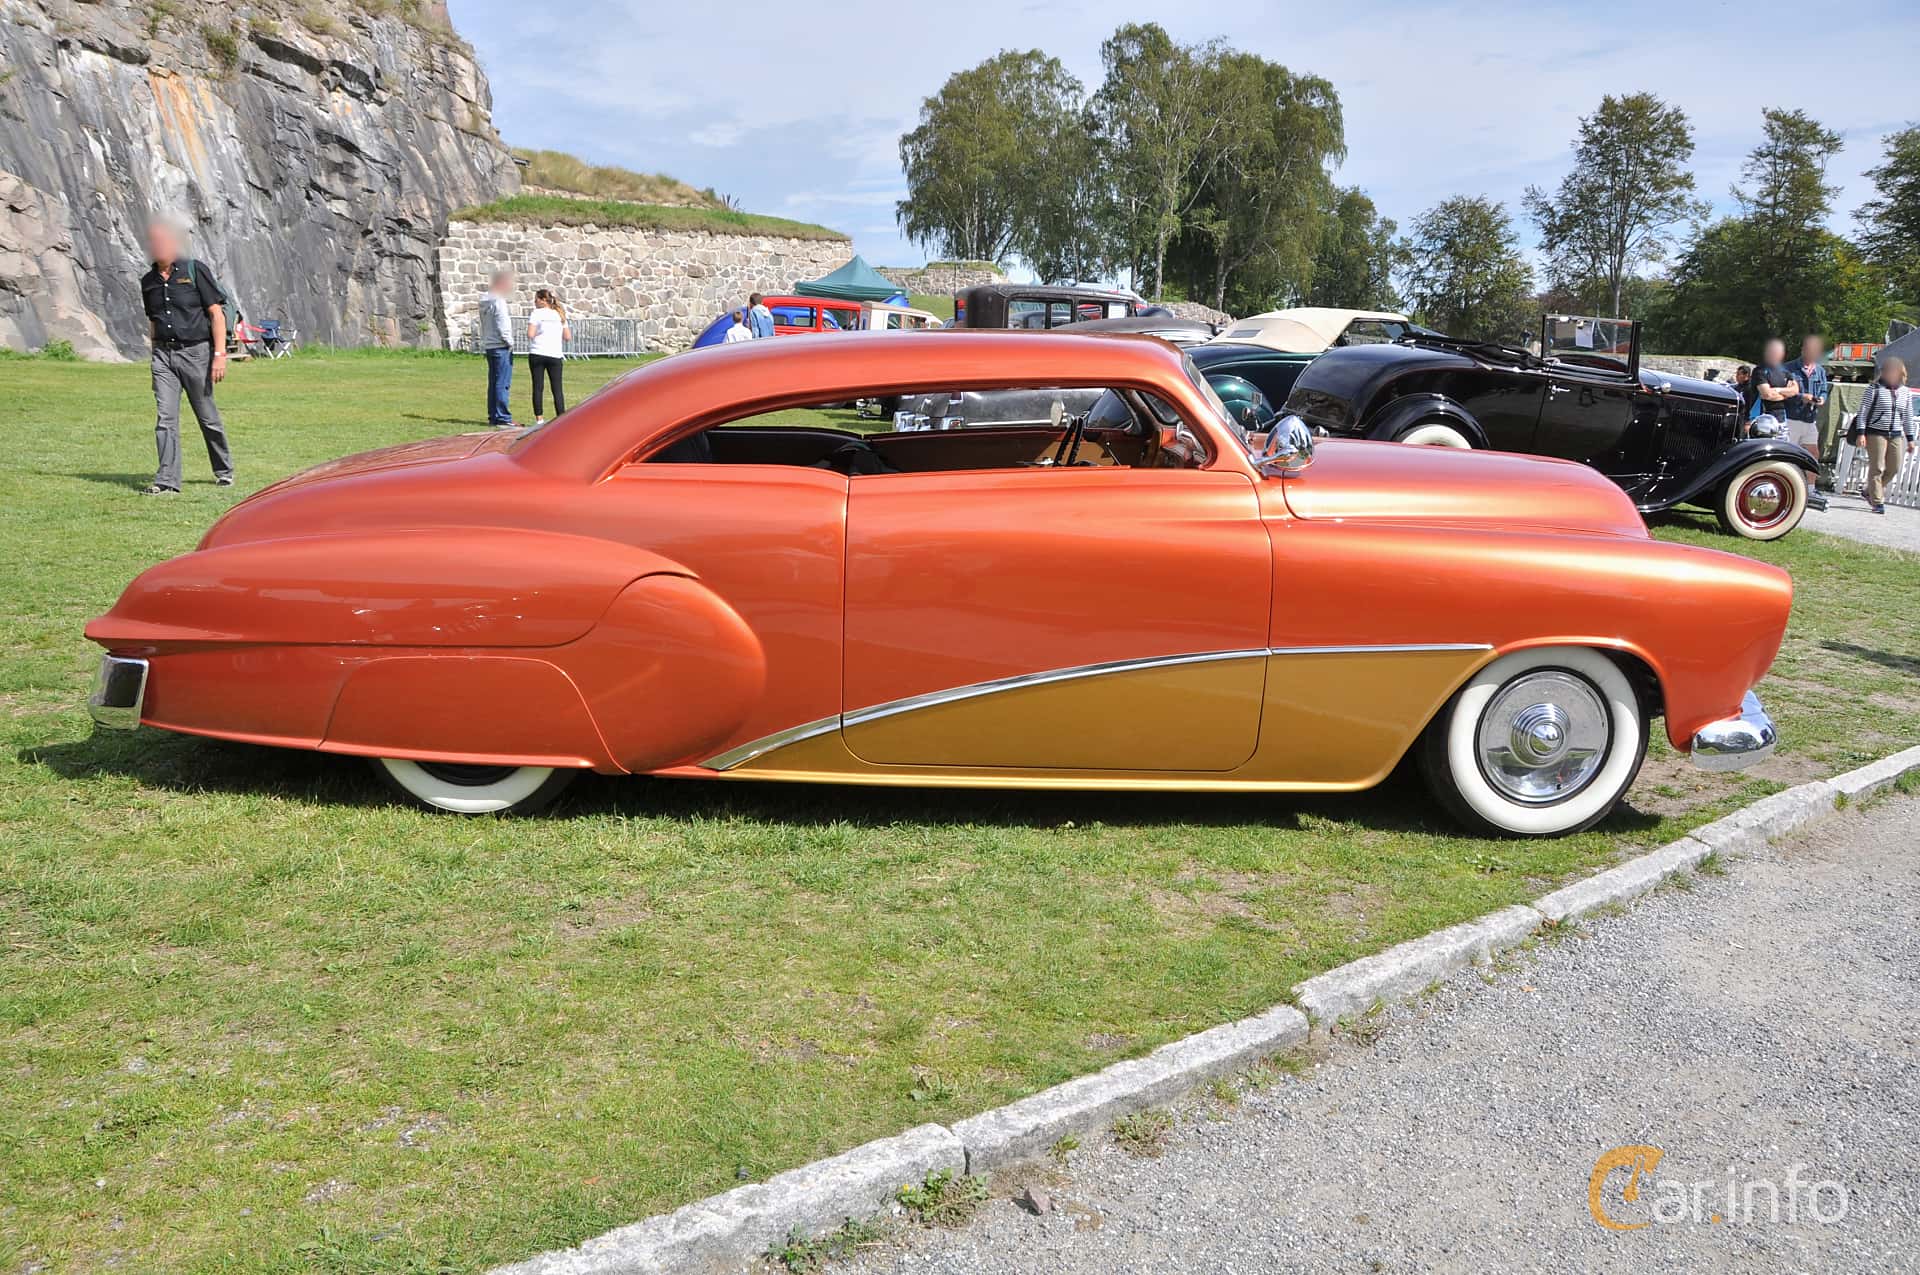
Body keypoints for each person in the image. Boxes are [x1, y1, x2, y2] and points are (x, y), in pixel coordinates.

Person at [138, 218, 234, 495]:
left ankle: (223, 470)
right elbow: (152, 320)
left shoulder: (194, 270)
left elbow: (215, 313)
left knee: (207, 417)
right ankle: (167, 480)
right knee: (165, 419)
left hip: (196, 353)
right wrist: (155, 352)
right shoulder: (148, 281)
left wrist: (219, 355)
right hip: (163, 356)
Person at [1849, 355, 1915, 514]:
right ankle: (1877, 502)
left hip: (1896, 434)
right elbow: (1863, 412)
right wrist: (1861, 433)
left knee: (1894, 467)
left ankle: (1869, 491)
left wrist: (1910, 439)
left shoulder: (1905, 392)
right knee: (1877, 467)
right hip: (1875, 433)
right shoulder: (1874, 389)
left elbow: (1907, 416)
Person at [527, 287, 570, 424]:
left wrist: (539, 332)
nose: (534, 302)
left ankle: (539, 419)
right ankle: (561, 418)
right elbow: (567, 336)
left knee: (538, 387)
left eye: (536, 299)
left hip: (538, 352)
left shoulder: (537, 313)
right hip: (555, 354)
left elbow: (530, 334)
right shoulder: (559, 314)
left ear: (542, 300)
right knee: (557, 388)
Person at [478, 268, 515, 428]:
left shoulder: (484, 300)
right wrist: (509, 342)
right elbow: (502, 324)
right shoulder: (498, 301)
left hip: (490, 345)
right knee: (502, 382)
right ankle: (502, 417)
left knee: (494, 382)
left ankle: (494, 415)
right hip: (500, 345)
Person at [1781, 334, 1828, 452]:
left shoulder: (1820, 371)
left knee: (1813, 454)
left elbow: (1824, 390)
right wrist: (1802, 397)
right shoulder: (1788, 368)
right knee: (1788, 452)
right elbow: (1781, 393)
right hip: (1791, 418)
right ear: (1803, 350)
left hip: (1810, 419)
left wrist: (1822, 399)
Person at [1749, 339, 1798, 437]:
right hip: (1762, 421)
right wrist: (1786, 395)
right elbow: (1767, 394)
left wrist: (1778, 390)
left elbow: (1795, 390)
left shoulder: (1785, 371)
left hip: (1781, 421)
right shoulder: (1760, 371)